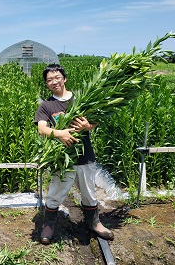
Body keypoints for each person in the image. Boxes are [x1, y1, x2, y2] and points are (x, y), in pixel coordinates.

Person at [34, 63, 114, 244]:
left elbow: (95, 121)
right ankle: (48, 225)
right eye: (49, 80)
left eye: (57, 78)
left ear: (64, 78)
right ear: (46, 84)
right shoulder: (46, 106)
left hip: (85, 155)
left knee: (89, 192)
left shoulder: (81, 99)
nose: (54, 82)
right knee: (55, 193)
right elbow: (42, 129)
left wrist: (88, 126)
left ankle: (94, 223)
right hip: (62, 159)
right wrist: (60, 133)